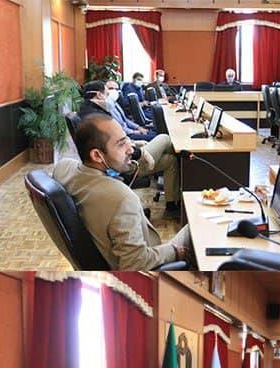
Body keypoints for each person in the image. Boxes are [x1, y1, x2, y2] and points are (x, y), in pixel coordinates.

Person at [52, 114, 191, 269]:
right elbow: (135, 263)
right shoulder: (122, 198)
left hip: (104, 252)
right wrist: (173, 251)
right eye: (121, 144)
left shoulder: (63, 168)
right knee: (198, 226)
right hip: (147, 263)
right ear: (97, 155)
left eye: (127, 140)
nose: (130, 149)